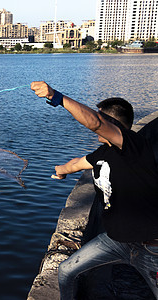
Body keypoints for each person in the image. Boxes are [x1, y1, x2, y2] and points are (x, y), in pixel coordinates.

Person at [30, 81, 158, 300]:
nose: (91, 120)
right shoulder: (104, 152)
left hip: (150, 248)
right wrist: (61, 171)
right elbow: (78, 163)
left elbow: (96, 123)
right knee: (66, 270)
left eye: (99, 115)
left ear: (112, 123)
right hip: (115, 242)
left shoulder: (133, 146)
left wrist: (57, 97)